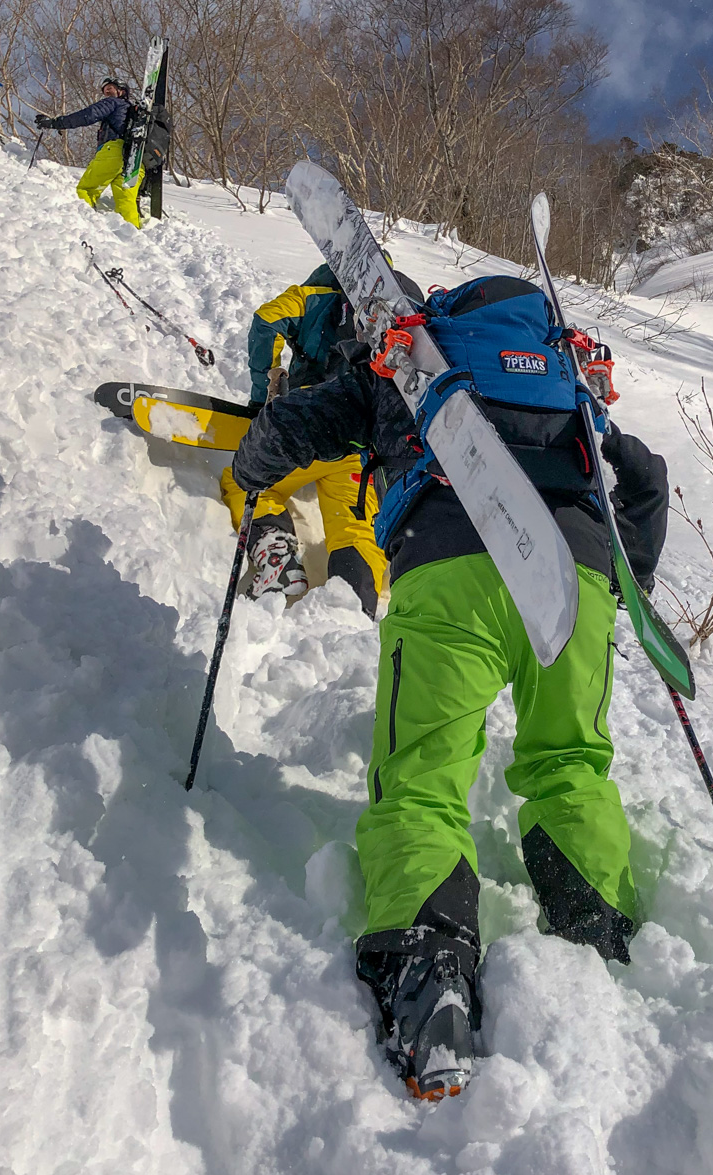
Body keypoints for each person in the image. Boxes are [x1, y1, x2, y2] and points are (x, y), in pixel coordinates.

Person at [230, 270, 669, 1101]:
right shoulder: (567, 379)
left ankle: (427, 969)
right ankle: (600, 935)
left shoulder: (409, 363)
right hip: (573, 578)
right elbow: (645, 478)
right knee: (571, 763)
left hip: (450, 562)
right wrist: (626, 579)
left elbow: (294, 426)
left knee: (422, 779)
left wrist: (253, 468)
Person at [218, 263, 389, 613]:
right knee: (354, 527)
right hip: (359, 447)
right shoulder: (392, 317)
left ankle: (277, 559)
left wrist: (261, 400)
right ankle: (357, 602)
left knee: (244, 482)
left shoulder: (314, 297)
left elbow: (266, 320)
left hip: (308, 429)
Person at [35, 78, 143, 229]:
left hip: (113, 151)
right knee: (126, 200)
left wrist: (56, 123)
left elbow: (88, 115)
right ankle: (132, 235)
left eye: (111, 88)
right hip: (134, 158)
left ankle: (84, 228)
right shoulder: (134, 113)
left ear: (121, 91)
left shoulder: (114, 102)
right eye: (105, 89)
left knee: (86, 189)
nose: (106, 91)